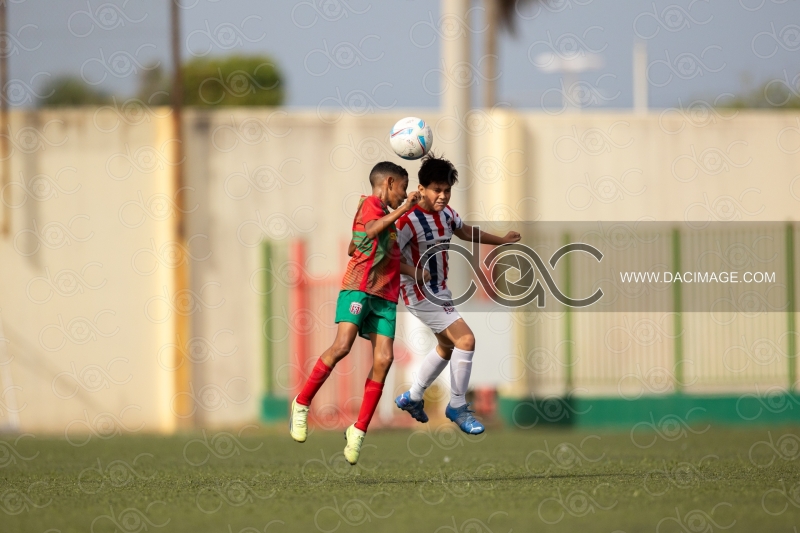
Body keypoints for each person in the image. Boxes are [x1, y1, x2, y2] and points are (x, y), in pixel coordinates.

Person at [288, 161, 421, 465]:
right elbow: (371, 230)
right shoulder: (370, 205)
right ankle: (302, 401)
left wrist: (415, 272)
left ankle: (358, 430)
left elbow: (356, 247)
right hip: (359, 289)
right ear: (388, 183)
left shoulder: (386, 218)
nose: (403, 195)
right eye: (402, 187)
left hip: (386, 296)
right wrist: (401, 212)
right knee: (342, 345)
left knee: (385, 360)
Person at [394, 152, 520, 435]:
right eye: (437, 190)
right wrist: (415, 272)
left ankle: (413, 396)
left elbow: (464, 232)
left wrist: (500, 240)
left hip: (440, 291)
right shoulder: (408, 220)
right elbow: (387, 258)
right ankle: (458, 406)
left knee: (447, 347)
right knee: (466, 339)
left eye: (447, 190)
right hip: (418, 293)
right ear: (421, 189)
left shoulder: (448, 214)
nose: (442, 196)